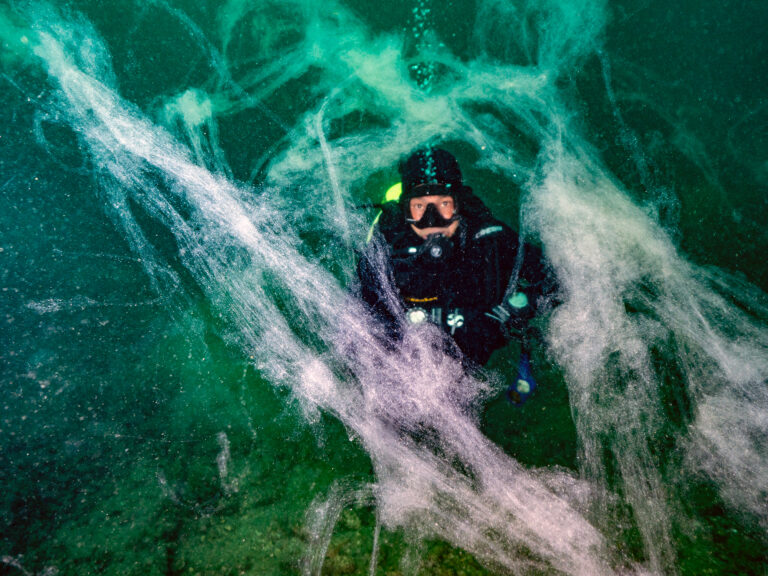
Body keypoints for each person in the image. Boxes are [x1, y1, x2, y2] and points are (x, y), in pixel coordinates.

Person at [357, 148, 556, 400]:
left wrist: (510, 309)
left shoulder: (488, 239)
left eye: (443, 205)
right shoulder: (386, 248)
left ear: (458, 205)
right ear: (405, 210)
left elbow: (554, 279)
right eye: (419, 207)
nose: (432, 221)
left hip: (478, 363)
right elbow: (357, 319)